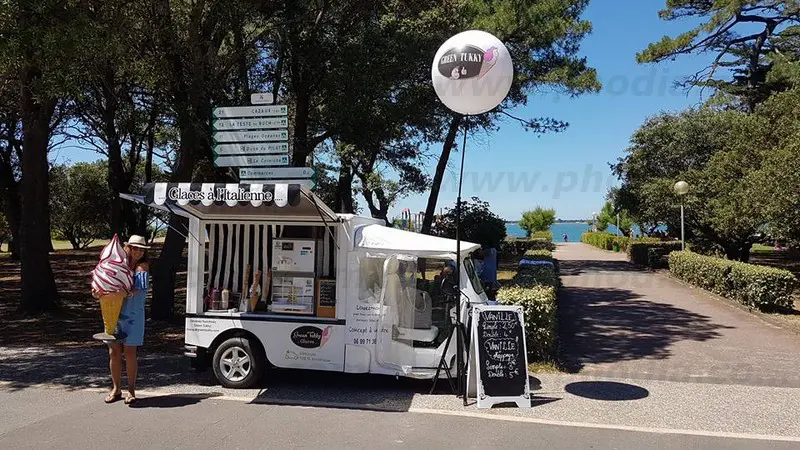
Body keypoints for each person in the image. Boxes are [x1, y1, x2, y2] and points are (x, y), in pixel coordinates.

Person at [94, 235, 150, 405]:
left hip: (134, 314)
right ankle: (116, 388)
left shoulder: (143, 267)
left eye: (141, 249)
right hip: (115, 313)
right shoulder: (116, 266)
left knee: (130, 352)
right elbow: (103, 283)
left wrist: (123, 293)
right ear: (128, 248)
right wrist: (98, 292)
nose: (138, 252)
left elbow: (139, 289)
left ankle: (131, 390)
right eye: (135, 248)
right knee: (114, 352)